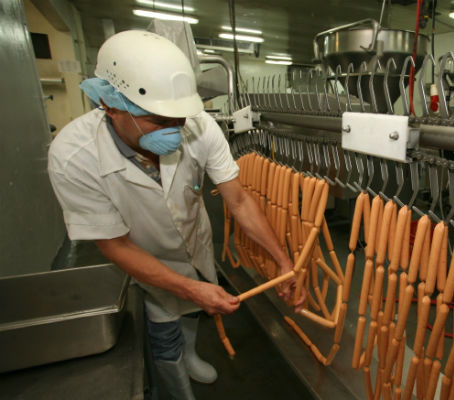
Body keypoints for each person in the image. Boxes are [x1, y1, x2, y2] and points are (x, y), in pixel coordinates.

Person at [47, 30, 302, 400]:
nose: (176, 129)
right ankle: (176, 383)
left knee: (191, 311)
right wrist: (190, 288)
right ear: (111, 105)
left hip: (193, 240)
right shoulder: (73, 157)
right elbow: (114, 244)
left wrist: (283, 261)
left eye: (180, 118)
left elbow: (240, 202)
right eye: (158, 119)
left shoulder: (200, 127)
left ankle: (190, 354)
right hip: (141, 255)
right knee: (162, 325)